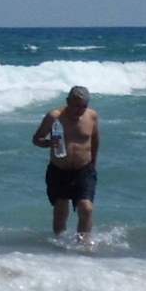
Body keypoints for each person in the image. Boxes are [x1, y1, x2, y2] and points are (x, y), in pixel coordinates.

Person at [33, 86, 101, 240]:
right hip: (59, 169)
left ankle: (83, 244)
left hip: (84, 169)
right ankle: (60, 244)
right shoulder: (54, 117)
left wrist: (93, 164)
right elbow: (36, 139)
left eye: (83, 106)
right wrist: (49, 143)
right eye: (76, 106)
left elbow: (95, 140)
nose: (79, 110)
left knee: (86, 208)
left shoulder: (92, 116)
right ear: (68, 101)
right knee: (61, 210)